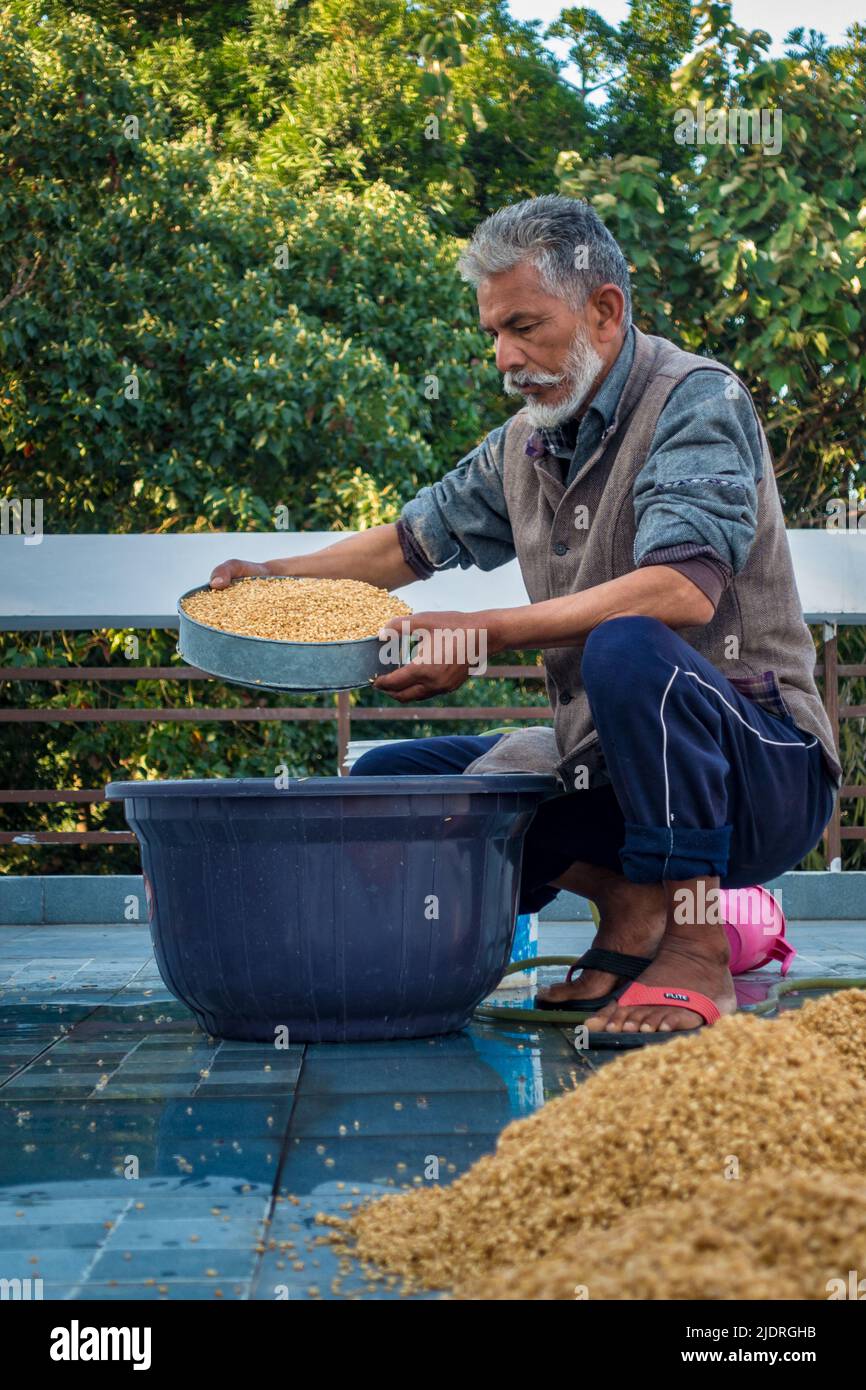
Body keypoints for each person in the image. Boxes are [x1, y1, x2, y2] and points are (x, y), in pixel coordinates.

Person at [210, 195, 839, 1042]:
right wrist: (273, 575)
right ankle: (631, 907)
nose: (505, 358)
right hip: (614, 768)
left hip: (759, 767)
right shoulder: (527, 441)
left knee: (625, 647)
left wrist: (488, 631)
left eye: (525, 327)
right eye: (493, 336)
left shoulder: (696, 399)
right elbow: (409, 541)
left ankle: (696, 945)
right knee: (391, 785)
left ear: (605, 310)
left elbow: (682, 591)